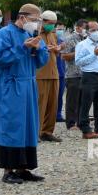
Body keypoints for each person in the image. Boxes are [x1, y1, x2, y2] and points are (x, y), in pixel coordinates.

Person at [0, 3, 48, 184]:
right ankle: (8, 170)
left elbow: (40, 61)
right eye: (34, 20)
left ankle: (23, 168)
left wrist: (38, 48)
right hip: (11, 85)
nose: (36, 24)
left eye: (37, 21)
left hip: (28, 84)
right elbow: (0, 59)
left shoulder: (28, 34)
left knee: (28, 125)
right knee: (12, 125)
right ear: (22, 17)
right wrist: (23, 48)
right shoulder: (4, 33)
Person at [37, 11, 62, 142]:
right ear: (43, 21)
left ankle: (47, 132)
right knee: (40, 104)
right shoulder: (35, 34)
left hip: (54, 73)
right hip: (40, 73)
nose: (52, 26)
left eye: (54, 24)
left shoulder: (53, 34)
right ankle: (36, 132)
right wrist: (45, 48)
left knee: (53, 105)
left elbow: (56, 51)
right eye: (50, 23)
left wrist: (57, 49)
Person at [60, 19, 87, 130]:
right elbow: (64, 56)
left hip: (85, 73)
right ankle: (71, 123)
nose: (87, 30)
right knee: (72, 100)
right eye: (85, 28)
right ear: (78, 28)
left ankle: (81, 122)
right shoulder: (70, 39)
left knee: (83, 100)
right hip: (73, 74)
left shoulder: (87, 39)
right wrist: (78, 53)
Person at [55, 21, 66, 122]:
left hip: (62, 72)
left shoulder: (62, 41)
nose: (61, 31)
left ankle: (58, 114)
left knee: (60, 95)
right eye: (59, 29)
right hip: (53, 73)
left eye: (62, 29)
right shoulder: (51, 40)